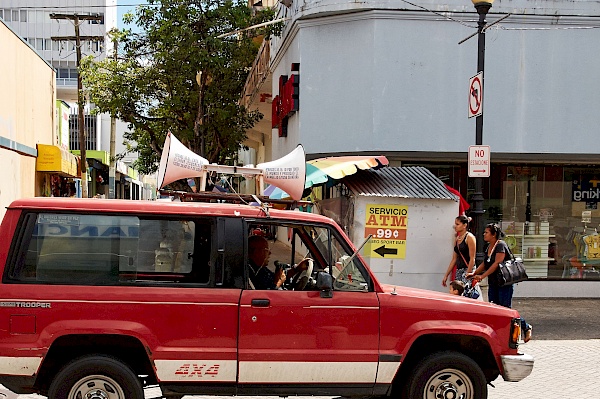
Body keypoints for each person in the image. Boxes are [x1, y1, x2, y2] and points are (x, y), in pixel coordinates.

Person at [467, 223, 533, 342]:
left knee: (506, 309)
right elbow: (486, 263)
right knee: (494, 308)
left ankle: (525, 326)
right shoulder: (488, 247)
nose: (484, 234)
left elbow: (497, 263)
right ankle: (499, 334)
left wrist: (482, 276)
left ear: (494, 235)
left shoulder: (500, 245)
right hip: (494, 282)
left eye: (487, 232)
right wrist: (474, 273)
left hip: (503, 283)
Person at [442, 215, 476, 287]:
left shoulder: (469, 237)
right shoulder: (457, 239)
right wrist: (446, 275)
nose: (455, 226)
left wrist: (468, 274)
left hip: (467, 269)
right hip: (459, 270)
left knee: (466, 293)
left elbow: (472, 258)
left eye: (457, 224)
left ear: (464, 225)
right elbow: (454, 259)